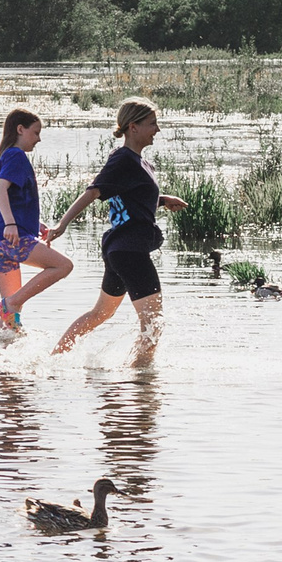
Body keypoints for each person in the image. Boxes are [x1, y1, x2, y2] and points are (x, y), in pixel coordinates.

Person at [50, 98, 187, 365]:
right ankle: (140, 378)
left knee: (100, 314)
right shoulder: (123, 159)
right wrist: (62, 224)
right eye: (152, 124)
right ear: (133, 127)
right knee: (153, 322)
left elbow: (131, 197)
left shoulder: (138, 162)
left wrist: (162, 200)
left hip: (120, 250)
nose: (157, 129)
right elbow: (93, 191)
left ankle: (54, 359)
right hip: (130, 251)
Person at [0, 107, 73, 333]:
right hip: (10, 237)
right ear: (20, 129)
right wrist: (11, 224)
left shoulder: (7, 156)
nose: (39, 139)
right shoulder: (16, 155)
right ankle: (11, 304)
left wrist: (35, 225)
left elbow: (15, 199)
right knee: (63, 266)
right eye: (35, 132)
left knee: (10, 318)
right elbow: (0, 190)